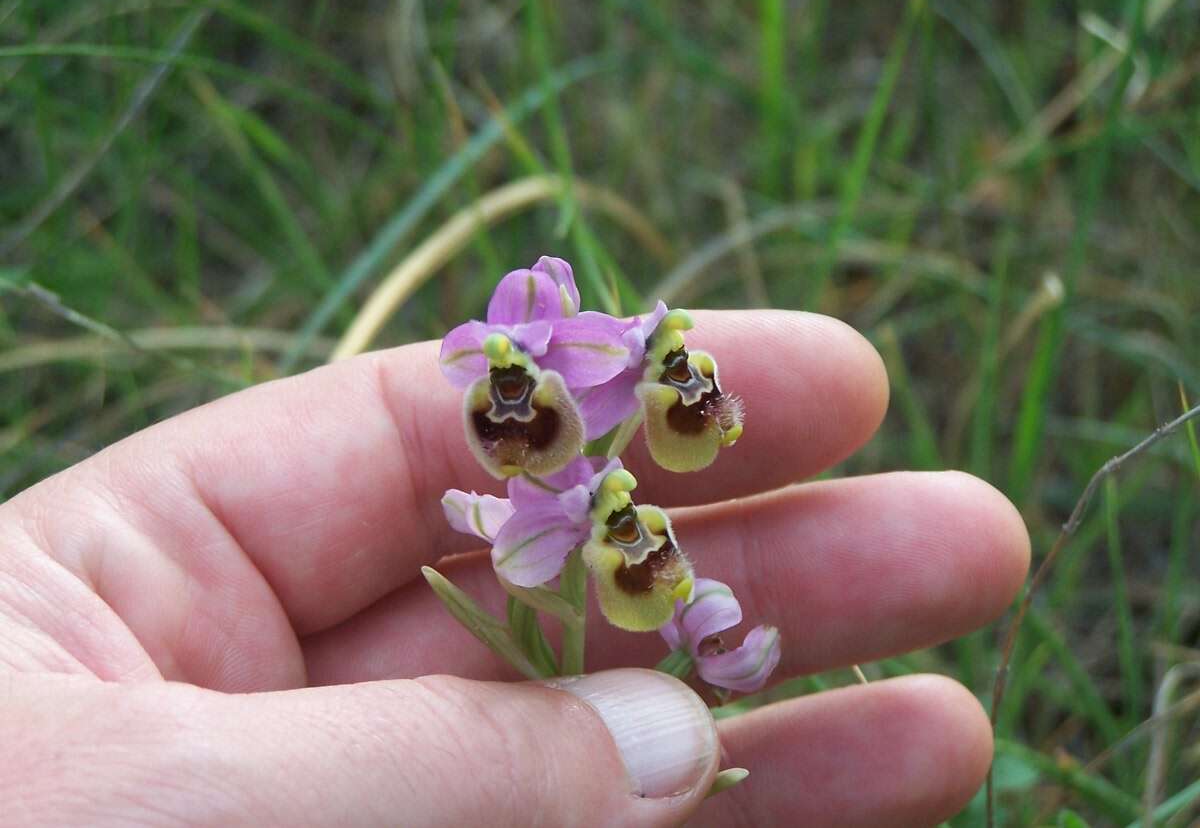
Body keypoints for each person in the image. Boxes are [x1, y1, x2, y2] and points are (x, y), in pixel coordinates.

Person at [0, 310, 1029, 826]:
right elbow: (527, 515)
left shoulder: (617, 382)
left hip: (591, 503)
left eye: (518, 370)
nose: (507, 378)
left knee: (668, 569)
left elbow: (599, 480)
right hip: (559, 511)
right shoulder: (533, 433)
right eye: (499, 372)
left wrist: (623, 480)